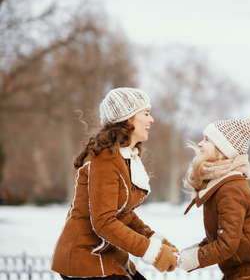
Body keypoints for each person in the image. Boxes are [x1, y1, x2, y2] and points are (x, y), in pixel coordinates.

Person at [52, 87, 178, 280]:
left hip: (107, 254)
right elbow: (104, 222)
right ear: (128, 119)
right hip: (85, 257)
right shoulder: (105, 157)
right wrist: (150, 251)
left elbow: (123, 213)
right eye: (146, 113)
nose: (151, 120)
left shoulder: (124, 157)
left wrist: (154, 239)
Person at [178, 113, 250, 279]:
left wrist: (193, 259)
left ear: (222, 149)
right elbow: (223, 234)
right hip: (242, 267)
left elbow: (227, 244)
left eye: (206, 140)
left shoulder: (230, 189)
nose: (199, 143)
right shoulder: (219, 184)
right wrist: (188, 255)